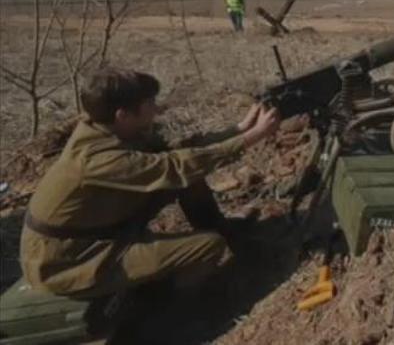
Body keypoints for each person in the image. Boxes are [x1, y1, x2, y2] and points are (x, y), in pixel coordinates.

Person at [19, 67, 280, 300]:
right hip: (69, 261)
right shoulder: (96, 159)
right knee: (208, 246)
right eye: (149, 104)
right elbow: (173, 166)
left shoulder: (106, 127)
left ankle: (219, 229)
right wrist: (251, 138)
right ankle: (172, 308)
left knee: (189, 179)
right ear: (123, 115)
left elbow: (180, 152)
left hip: (97, 231)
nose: (156, 109)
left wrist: (240, 129)